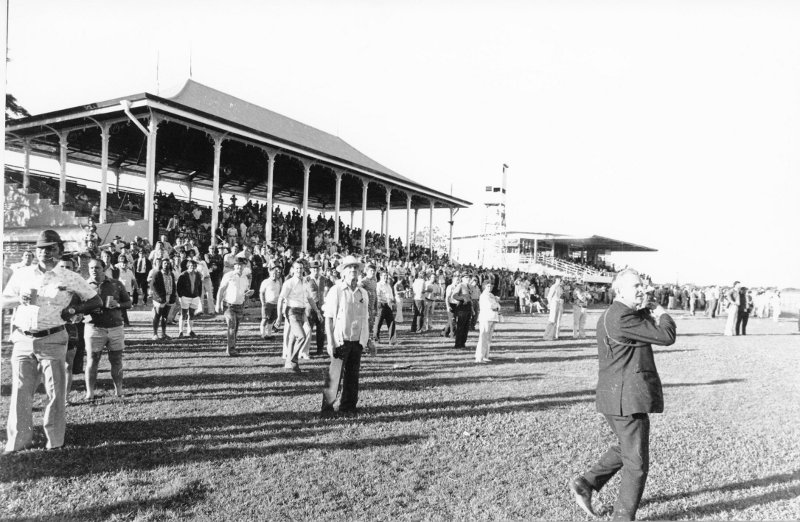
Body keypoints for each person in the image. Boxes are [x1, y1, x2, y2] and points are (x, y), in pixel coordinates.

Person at [569, 269, 676, 521]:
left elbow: (642, 322)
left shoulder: (615, 313)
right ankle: (622, 517)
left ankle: (586, 483)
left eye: (643, 285)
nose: (643, 290)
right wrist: (660, 311)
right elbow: (666, 336)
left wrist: (644, 306)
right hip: (626, 400)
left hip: (613, 398)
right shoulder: (624, 318)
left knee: (626, 447)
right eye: (636, 286)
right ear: (619, 291)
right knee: (636, 465)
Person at [1, 230, 101, 453]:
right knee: (20, 391)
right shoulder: (22, 274)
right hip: (23, 339)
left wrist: (74, 309)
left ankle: (55, 441)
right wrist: (19, 299)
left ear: (60, 251)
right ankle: (18, 441)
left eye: (50, 248)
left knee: (55, 392)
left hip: (53, 338)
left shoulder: (69, 277)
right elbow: (3, 301)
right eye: (40, 248)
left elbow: (95, 300)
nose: (44, 253)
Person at [321, 255, 370, 417]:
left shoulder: (363, 292)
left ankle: (348, 406)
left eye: (356, 268)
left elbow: (365, 318)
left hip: (357, 341)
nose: (353, 270)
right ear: (343, 272)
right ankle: (327, 408)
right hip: (340, 340)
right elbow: (328, 317)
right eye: (349, 268)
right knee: (334, 376)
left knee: (352, 375)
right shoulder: (337, 290)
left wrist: (367, 340)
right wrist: (330, 342)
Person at [84, 258, 132, 399]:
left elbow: (128, 303)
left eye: (97, 267)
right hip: (94, 328)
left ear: (104, 269)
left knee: (116, 360)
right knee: (92, 360)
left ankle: (119, 391)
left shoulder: (116, 284)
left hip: (115, 327)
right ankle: (90, 392)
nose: (94, 270)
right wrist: (89, 310)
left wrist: (117, 305)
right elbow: (78, 307)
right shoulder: (83, 286)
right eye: (91, 268)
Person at [277, 260, 321, 372]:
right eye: (297, 268)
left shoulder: (306, 282)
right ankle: (293, 360)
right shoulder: (289, 283)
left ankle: (290, 364)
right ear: (292, 270)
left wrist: (317, 311)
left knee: (293, 338)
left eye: (301, 268)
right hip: (292, 311)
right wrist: (279, 317)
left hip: (302, 311)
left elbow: (310, 299)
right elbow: (281, 298)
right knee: (301, 336)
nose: (299, 270)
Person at [216, 256, 254, 357]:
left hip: (239, 306)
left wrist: (249, 293)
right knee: (231, 326)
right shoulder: (228, 275)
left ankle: (231, 347)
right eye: (237, 265)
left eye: (241, 265)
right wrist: (217, 304)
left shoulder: (245, 278)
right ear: (234, 266)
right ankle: (231, 350)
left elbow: (245, 291)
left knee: (235, 328)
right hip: (228, 305)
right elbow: (221, 289)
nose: (239, 267)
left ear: (244, 266)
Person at [150, 259, 177, 341]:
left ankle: (163, 334)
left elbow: (173, 285)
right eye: (165, 263)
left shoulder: (171, 274)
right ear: (162, 264)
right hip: (160, 298)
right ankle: (155, 334)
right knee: (157, 316)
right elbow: (153, 286)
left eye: (168, 263)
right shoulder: (157, 273)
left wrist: (173, 296)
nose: (167, 265)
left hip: (169, 297)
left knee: (165, 316)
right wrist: (159, 297)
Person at [176, 258, 203, 338]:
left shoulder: (198, 275)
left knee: (192, 314)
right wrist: (181, 296)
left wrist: (199, 295)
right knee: (184, 314)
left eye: (194, 266)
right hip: (185, 297)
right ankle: (181, 331)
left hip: (195, 297)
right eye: (191, 265)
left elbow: (200, 286)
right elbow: (178, 286)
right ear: (188, 266)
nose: (193, 267)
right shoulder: (183, 275)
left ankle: (190, 330)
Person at [475, 281, 501, 363]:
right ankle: (479, 357)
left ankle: (485, 355)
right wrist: (497, 305)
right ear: (484, 286)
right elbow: (491, 306)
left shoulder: (491, 295)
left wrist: (497, 305)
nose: (489, 287)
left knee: (488, 338)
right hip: (486, 317)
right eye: (488, 286)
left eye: (491, 286)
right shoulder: (484, 295)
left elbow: (498, 306)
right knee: (483, 337)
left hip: (492, 317)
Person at [259, 264, 282, 339]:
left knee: (271, 320)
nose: (274, 275)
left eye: (276, 274)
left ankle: (269, 335)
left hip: (276, 304)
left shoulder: (278, 282)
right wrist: (263, 303)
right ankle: (262, 334)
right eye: (273, 274)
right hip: (268, 304)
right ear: (269, 273)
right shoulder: (266, 282)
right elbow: (261, 293)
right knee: (265, 319)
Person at [451, 273, 474, 349]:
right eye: (466, 277)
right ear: (462, 278)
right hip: (462, 308)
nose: (468, 278)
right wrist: (462, 298)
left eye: (469, 277)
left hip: (468, 307)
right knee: (460, 326)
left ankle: (463, 343)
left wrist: (472, 309)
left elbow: (470, 298)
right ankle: (458, 344)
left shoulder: (469, 286)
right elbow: (454, 295)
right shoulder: (460, 285)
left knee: (466, 327)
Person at [374, 270, 397, 344]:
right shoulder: (378, 285)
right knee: (378, 323)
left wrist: (392, 301)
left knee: (391, 322)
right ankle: (376, 339)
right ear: (380, 276)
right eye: (384, 276)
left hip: (388, 305)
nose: (385, 277)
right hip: (381, 304)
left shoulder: (388, 285)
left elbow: (391, 295)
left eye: (386, 276)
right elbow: (377, 295)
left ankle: (392, 340)